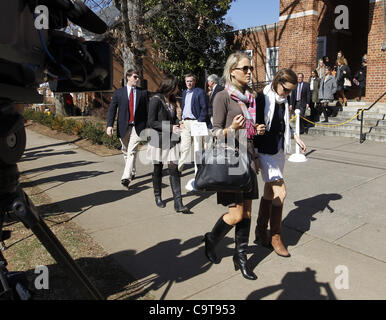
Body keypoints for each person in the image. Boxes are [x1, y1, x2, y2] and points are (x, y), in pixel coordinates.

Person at [203, 52, 266, 280]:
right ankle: (211, 239)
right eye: (245, 68)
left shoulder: (250, 97)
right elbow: (215, 132)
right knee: (236, 214)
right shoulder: (222, 96)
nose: (249, 72)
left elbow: (248, 132)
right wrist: (232, 130)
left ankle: (240, 258)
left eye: (250, 68)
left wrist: (254, 130)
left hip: (247, 156)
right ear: (232, 71)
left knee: (247, 211)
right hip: (230, 160)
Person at [253, 68, 307, 258]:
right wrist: (255, 154)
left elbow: (284, 123)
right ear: (277, 81)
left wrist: (295, 137)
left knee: (270, 191)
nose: (287, 93)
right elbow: (255, 124)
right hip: (265, 150)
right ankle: (275, 236)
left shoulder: (284, 100)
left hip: (279, 150)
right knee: (281, 192)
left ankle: (260, 232)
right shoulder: (262, 98)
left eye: (291, 91)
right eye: (286, 89)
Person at [147, 75, 190, 214]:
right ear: (170, 85)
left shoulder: (171, 100)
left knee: (173, 169)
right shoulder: (155, 99)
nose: (178, 89)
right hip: (158, 139)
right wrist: (171, 127)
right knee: (158, 169)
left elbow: (171, 119)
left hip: (171, 140)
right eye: (176, 86)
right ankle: (158, 196)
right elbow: (152, 122)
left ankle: (178, 202)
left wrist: (178, 123)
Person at [106, 69, 149, 188]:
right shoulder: (118, 93)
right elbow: (112, 110)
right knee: (125, 151)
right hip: (123, 126)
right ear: (128, 77)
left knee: (132, 151)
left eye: (138, 77)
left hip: (138, 127)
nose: (137, 79)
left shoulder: (143, 93)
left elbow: (148, 111)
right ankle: (132, 171)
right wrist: (109, 125)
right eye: (135, 77)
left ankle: (126, 177)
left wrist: (148, 127)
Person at [178, 74, 211, 173]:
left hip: (196, 122)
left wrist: (199, 121)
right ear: (185, 82)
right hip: (185, 123)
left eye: (191, 81)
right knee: (184, 147)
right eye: (187, 81)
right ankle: (179, 168)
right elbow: (184, 108)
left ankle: (198, 171)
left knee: (198, 147)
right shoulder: (184, 93)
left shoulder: (199, 92)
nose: (189, 83)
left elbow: (204, 108)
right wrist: (181, 120)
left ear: (194, 82)